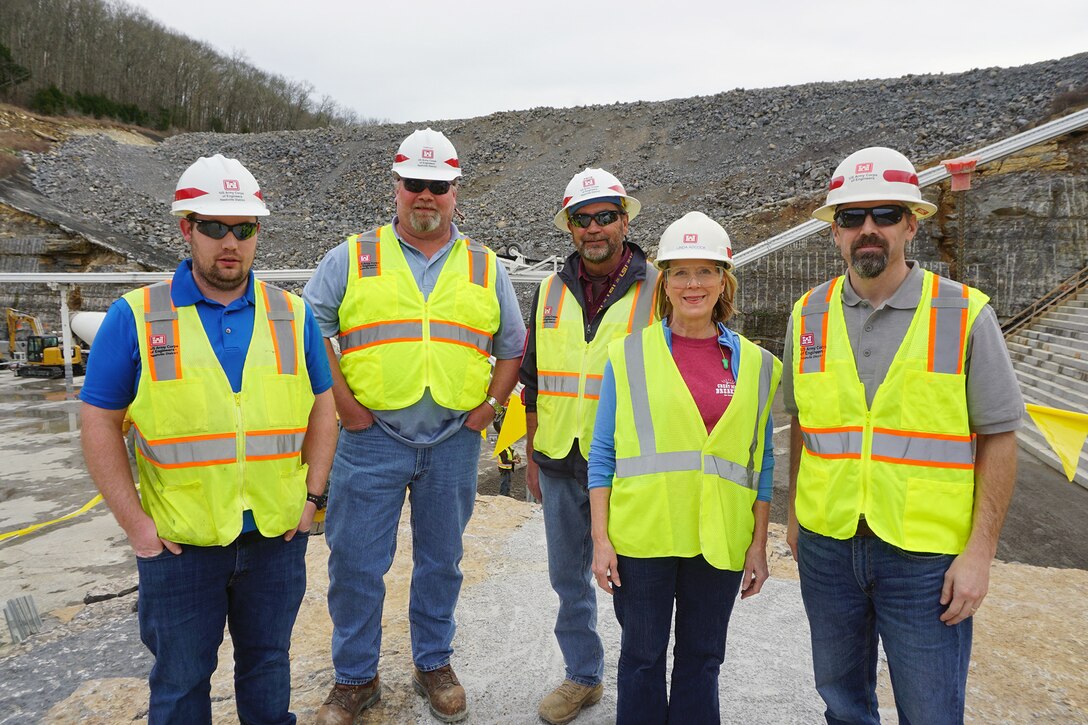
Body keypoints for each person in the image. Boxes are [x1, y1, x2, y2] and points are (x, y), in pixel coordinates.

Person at [79, 154, 337, 724]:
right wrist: (136, 527)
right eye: (214, 226)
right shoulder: (138, 316)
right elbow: (98, 421)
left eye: (243, 229)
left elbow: (324, 405)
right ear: (186, 228)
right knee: (180, 683)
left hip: (274, 538)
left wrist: (313, 498)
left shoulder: (292, 315)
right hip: (179, 546)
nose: (230, 242)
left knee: (268, 665)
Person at [784, 147, 1024, 724]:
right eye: (851, 217)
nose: (868, 230)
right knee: (842, 705)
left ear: (912, 223)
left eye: (885, 214)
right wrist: (795, 517)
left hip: (926, 560)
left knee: (931, 711)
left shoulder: (965, 314)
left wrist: (980, 553)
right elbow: (803, 427)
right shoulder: (807, 315)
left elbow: (999, 437)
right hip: (829, 546)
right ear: (835, 232)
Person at [304, 128, 526, 725]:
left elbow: (512, 345)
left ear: (455, 191)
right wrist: (345, 404)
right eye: (414, 184)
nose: (425, 195)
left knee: (441, 561)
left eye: (438, 186)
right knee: (354, 563)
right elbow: (309, 329)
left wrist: (491, 409)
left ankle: (433, 663)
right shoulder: (352, 257)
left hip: (454, 441)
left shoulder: (484, 267)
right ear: (396, 187)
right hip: (369, 439)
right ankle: (355, 678)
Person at [589, 212, 780, 724]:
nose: (692, 284)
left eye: (705, 271)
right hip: (644, 536)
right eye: (679, 272)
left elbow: (761, 465)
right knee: (642, 660)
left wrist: (759, 543)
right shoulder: (628, 356)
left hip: (718, 539)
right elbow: (602, 454)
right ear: (664, 282)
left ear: (724, 280)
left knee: (702, 661)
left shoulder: (760, 366)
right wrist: (601, 540)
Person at [518, 168, 658, 724]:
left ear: (624, 220)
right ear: (570, 228)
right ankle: (583, 676)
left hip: (629, 466)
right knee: (567, 577)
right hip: (557, 459)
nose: (594, 228)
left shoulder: (660, 289)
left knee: (634, 583)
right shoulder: (550, 291)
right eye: (583, 219)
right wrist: (531, 453)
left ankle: (641, 684)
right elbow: (533, 380)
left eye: (605, 216)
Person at [493, 415, 521, 497]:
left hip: (508, 468)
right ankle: (502, 496)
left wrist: (517, 457)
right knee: (504, 482)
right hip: (504, 469)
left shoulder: (507, 446)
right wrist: (514, 461)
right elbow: (505, 460)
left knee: (508, 482)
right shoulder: (501, 448)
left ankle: (507, 494)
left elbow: (511, 452)